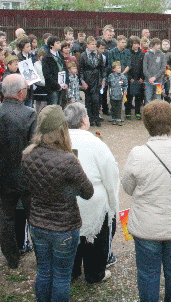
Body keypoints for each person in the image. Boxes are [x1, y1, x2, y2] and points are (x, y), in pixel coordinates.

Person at [122, 100, 171, 302]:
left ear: (146, 124)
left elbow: (128, 188)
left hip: (147, 226)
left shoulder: (137, 154)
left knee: (148, 273)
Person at [22, 105, 93, 302]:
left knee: (44, 271)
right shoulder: (68, 160)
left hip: (37, 223)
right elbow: (88, 192)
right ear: (62, 129)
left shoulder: (27, 154)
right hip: (64, 226)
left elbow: (28, 187)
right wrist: (69, 186)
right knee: (62, 276)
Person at [0, 74, 37, 269]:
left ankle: (11, 256)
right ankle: (40, 255)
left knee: (6, 216)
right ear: (20, 92)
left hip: (4, 172)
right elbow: (33, 146)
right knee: (34, 216)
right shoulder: (30, 114)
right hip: (25, 173)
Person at [64, 102, 119, 284]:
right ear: (84, 120)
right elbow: (110, 176)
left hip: (64, 203)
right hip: (91, 202)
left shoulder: (58, 141)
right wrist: (113, 205)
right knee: (96, 236)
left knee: (70, 238)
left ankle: (71, 271)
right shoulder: (96, 143)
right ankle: (95, 273)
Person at [78, 37, 106, 127]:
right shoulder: (83, 55)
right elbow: (81, 70)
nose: (93, 46)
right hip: (87, 79)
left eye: (94, 44)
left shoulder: (99, 54)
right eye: (91, 44)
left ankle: (96, 118)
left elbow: (102, 68)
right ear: (87, 45)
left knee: (96, 100)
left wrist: (103, 79)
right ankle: (89, 119)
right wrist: (82, 81)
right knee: (88, 100)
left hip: (97, 79)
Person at [42, 36, 69, 106]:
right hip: (53, 88)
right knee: (53, 107)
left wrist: (66, 82)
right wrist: (57, 86)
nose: (60, 44)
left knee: (61, 106)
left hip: (62, 86)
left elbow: (65, 69)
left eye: (59, 42)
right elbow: (47, 74)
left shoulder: (60, 55)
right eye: (57, 43)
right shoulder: (47, 57)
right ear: (51, 45)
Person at [125, 36, 145, 120]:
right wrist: (129, 78)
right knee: (129, 97)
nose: (136, 45)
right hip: (130, 78)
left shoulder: (142, 54)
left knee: (139, 97)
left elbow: (144, 66)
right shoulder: (127, 53)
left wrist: (142, 78)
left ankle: (137, 112)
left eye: (137, 44)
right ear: (131, 44)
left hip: (139, 78)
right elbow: (126, 65)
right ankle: (128, 112)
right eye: (134, 43)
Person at [143, 38, 166, 104]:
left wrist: (155, 77)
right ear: (153, 45)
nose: (158, 46)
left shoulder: (162, 55)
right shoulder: (147, 54)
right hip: (148, 81)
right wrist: (150, 78)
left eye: (159, 44)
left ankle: (157, 114)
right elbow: (145, 68)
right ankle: (148, 114)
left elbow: (163, 68)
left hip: (158, 81)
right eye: (157, 44)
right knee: (148, 99)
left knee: (158, 99)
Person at [108, 61, 128, 125]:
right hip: (113, 94)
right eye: (118, 68)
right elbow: (109, 84)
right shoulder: (110, 76)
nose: (119, 69)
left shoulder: (123, 76)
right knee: (113, 107)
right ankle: (114, 118)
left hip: (120, 95)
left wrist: (125, 90)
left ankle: (119, 119)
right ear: (113, 69)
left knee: (119, 107)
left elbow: (125, 84)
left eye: (120, 67)